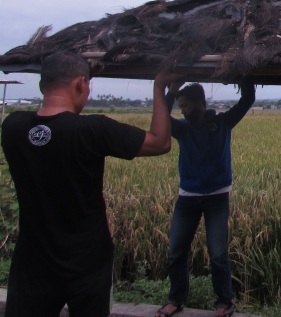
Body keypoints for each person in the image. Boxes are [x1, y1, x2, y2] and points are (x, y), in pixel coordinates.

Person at [1, 51, 178, 317]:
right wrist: (159, 86)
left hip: (32, 262)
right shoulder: (93, 130)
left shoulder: (12, 127)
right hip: (87, 263)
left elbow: (44, 135)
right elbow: (160, 142)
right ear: (81, 84)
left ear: (40, 86)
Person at [156, 78, 255, 317]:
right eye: (180, 106)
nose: (183, 110)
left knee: (218, 253)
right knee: (177, 251)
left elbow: (247, 99)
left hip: (217, 198)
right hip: (187, 198)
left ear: (200, 103)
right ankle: (176, 300)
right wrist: (171, 92)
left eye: (186, 106)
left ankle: (224, 303)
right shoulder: (182, 128)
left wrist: (243, 77)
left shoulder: (221, 123)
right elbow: (160, 116)